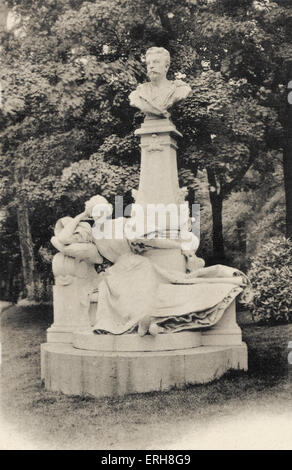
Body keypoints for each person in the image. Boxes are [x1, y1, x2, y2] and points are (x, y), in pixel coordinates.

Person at [129, 47, 191, 119]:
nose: (151, 66)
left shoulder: (180, 90)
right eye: (148, 63)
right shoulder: (137, 93)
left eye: (156, 62)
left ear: (166, 67)